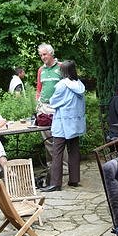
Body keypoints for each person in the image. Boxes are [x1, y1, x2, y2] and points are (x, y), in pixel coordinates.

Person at [40, 61, 86, 192]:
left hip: (62, 123)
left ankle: (55, 183)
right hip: (75, 124)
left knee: (57, 152)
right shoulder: (80, 84)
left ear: (64, 71)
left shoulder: (61, 85)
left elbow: (54, 101)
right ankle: (74, 179)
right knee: (74, 151)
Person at [35, 43, 68, 171]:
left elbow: (68, 86)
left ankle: (64, 167)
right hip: (44, 108)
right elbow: (39, 88)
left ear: (51, 53)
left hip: (58, 108)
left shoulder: (61, 67)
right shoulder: (41, 70)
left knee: (59, 138)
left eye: (45, 54)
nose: (43, 57)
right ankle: (52, 167)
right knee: (47, 139)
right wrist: (38, 102)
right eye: (41, 55)